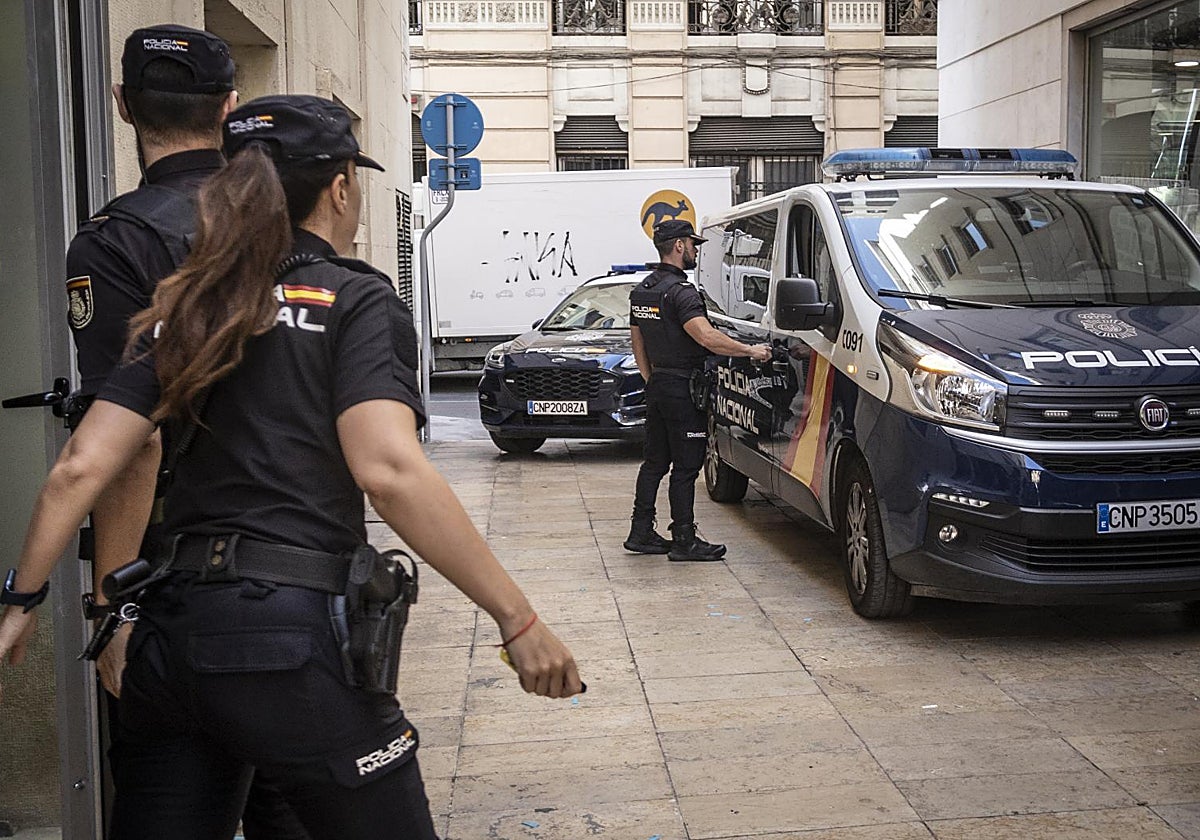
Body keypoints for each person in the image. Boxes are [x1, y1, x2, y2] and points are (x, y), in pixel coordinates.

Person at [0, 93, 583, 839]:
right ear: (341, 185)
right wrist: (517, 617)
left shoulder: (190, 310)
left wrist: (25, 603)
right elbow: (388, 470)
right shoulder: (354, 299)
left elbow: (81, 465)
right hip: (288, 642)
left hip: (171, 640)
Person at [65, 24, 310, 839]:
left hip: (176, 584)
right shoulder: (285, 227)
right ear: (231, 109)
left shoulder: (115, 241)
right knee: (289, 804)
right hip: (294, 576)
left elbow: (132, 441)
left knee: (171, 805)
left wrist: (114, 609)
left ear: (123, 105)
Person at [624, 219, 771, 562]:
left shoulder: (644, 289)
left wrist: (652, 379)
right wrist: (751, 351)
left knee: (655, 462)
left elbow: (638, 341)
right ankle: (684, 540)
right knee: (687, 466)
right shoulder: (681, 292)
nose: (695, 250)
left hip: (660, 385)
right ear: (678, 245)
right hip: (682, 388)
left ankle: (641, 531)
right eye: (692, 244)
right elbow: (705, 337)